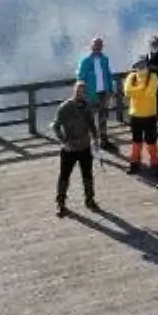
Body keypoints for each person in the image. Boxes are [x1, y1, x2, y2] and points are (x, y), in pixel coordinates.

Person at [51, 81, 99, 217]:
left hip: (84, 146)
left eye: (83, 91)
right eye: (79, 91)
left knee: (87, 175)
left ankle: (90, 200)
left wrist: (96, 139)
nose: (81, 94)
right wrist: (63, 140)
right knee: (64, 176)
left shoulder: (87, 106)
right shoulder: (65, 107)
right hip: (69, 149)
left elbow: (92, 124)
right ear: (74, 91)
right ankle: (61, 203)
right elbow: (55, 126)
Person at [76, 36, 115, 151]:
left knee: (103, 118)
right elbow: (80, 78)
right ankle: (87, 142)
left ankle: (103, 141)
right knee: (88, 119)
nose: (97, 47)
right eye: (95, 45)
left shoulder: (105, 59)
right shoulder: (85, 61)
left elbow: (108, 75)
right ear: (91, 46)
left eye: (99, 45)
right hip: (90, 95)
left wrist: (111, 90)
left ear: (102, 47)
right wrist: (81, 94)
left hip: (103, 94)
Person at [123, 59, 158, 177]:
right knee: (136, 141)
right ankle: (134, 164)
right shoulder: (131, 76)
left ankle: (154, 165)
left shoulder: (153, 76)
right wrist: (142, 88)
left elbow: (150, 92)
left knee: (151, 142)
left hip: (150, 114)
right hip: (135, 115)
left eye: (143, 64)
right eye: (138, 65)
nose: (141, 67)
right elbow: (127, 92)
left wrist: (136, 91)